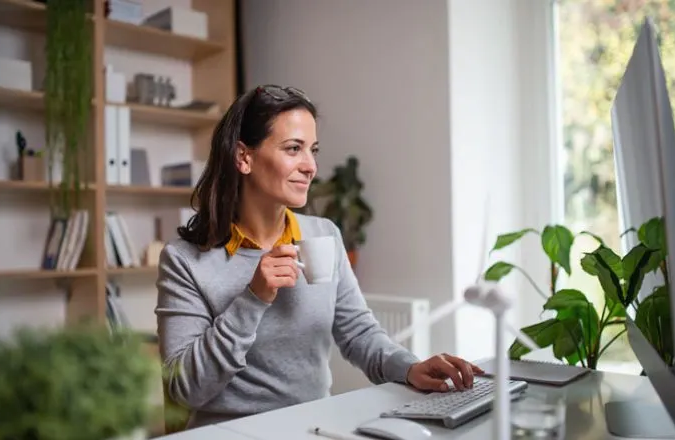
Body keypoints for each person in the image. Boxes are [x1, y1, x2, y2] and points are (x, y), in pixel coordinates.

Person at [155, 84, 484, 429]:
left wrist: (410, 368)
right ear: (243, 157)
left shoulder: (323, 235)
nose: (311, 166)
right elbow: (184, 389)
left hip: (315, 427)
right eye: (293, 148)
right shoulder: (184, 260)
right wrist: (252, 300)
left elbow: (358, 333)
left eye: (313, 150)